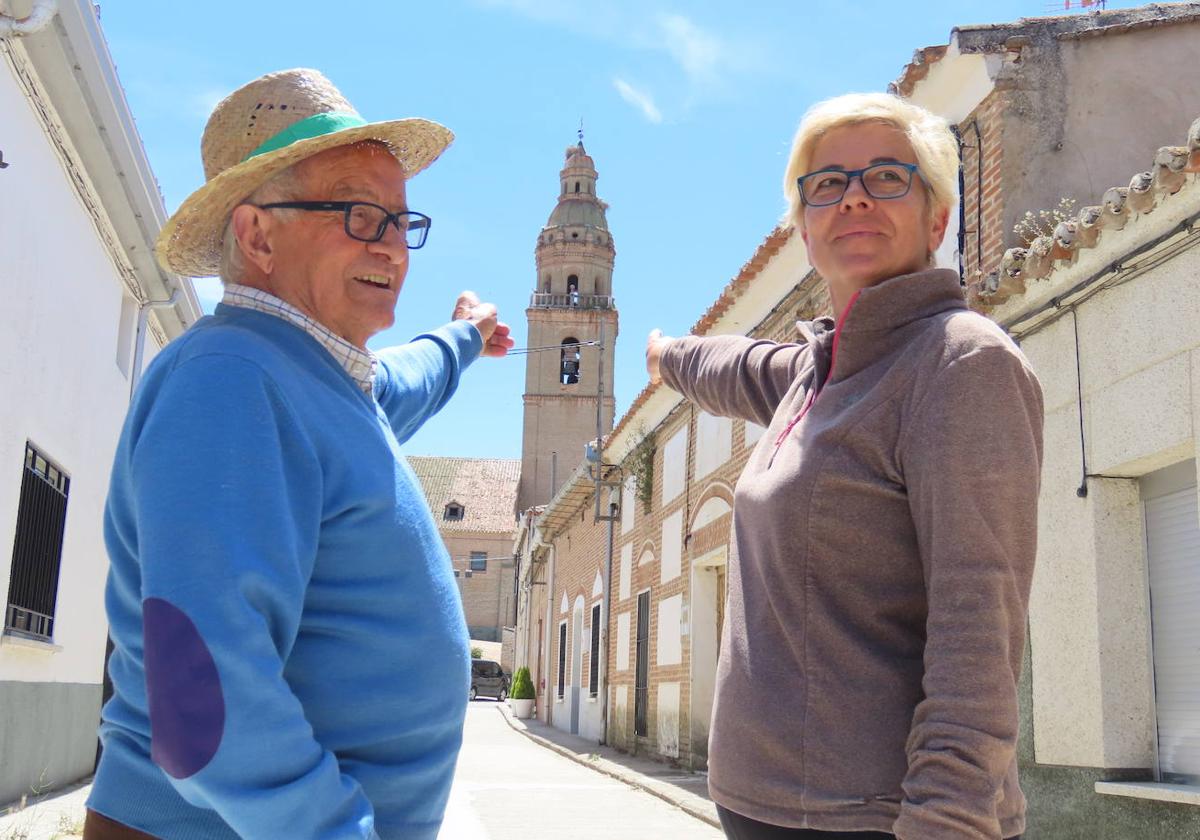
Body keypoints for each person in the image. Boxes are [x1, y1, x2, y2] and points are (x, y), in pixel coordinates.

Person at [86, 68, 513, 840]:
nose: (393, 246)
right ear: (257, 235)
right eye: (358, 215)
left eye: (399, 222)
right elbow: (203, 699)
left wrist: (466, 337)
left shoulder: (317, 382)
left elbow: (401, 383)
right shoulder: (232, 380)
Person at [646, 93, 1042, 840]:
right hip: (762, 806)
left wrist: (948, 820)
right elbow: (736, 364)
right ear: (803, 228)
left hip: (871, 820)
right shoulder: (816, 374)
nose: (853, 194)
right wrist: (666, 357)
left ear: (937, 219)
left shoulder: (958, 361)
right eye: (826, 183)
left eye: (887, 176)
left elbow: (978, 624)